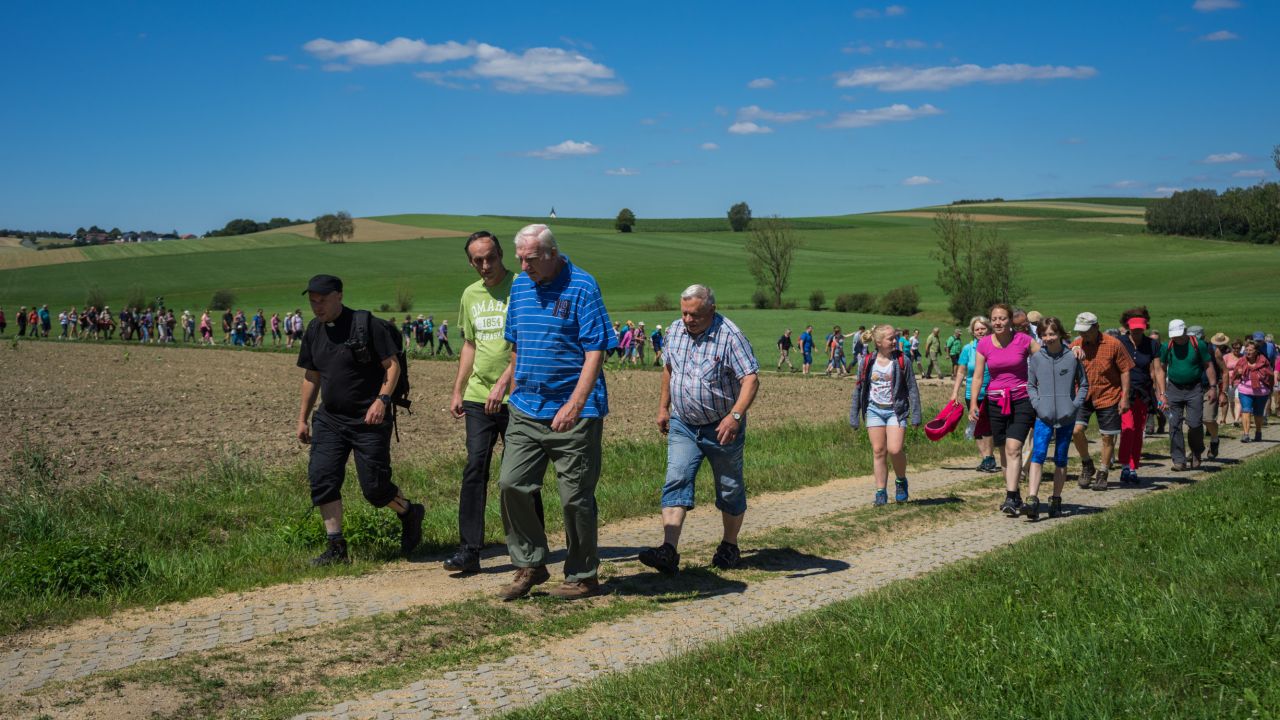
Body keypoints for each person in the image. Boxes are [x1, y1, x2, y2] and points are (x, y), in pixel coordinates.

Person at [496, 224, 617, 601]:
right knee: (511, 483)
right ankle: (530, 562)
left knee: (574, 498)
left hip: (574, 413)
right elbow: (517, 344)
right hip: (526, 407)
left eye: (530, 259)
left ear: (552, 253)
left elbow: (595, 350)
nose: (523, 266)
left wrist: (576, 404)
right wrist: (508, 384)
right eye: (520, 258)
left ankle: (583, 575)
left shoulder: (582, 286)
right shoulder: (520, 286)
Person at [295, 274, 424, 566]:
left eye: (322, 300)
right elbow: (311, 376)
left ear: (339, 296)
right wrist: (302, 418)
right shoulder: (314, 330)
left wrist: (382, 400)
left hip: (369, 420)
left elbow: (392, 366)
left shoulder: (367, 326)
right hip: (330, 419)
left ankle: (409, 512)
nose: (317, 307)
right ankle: (336, 548)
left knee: (375, 488)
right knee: (322, 478)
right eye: (313, 301)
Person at [640, 285, 759, 575]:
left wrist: (735, 416)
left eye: (694, 315)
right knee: (676, 479)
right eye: (684, 313)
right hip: (683, 423)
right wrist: (663, 407)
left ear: (711, 311)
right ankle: (668, 550)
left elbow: (750, 379)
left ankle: (729, 546)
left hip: (722, 427)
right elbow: (669, 369)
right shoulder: (675, 331)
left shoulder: (730, 336)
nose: (688, 320)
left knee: (729, 487)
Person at [446, 231, 544, 574]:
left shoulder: (524, 287)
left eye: (490, 257)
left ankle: (533, 546)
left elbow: (529, 341)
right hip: (478, 397)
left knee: (519, 474)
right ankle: (469, 550)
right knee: (475, 467)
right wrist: (458, 389)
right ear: (470, 262)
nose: (485, 265)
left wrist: (504, 383)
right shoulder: (470, 294)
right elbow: (470, 344)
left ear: (501, 254)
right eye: (478, 260)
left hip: (518, 396)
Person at [968, 304, 1045, 515]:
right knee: (1003, 450)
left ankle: (1010, 497)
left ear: (1010, 320)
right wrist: (974, 403)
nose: (998, 322)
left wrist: (1069, 351)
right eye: (994, 319)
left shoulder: (1024, 340)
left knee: (1013, 447)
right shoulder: (984, 344)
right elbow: (977, 376)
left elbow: (1046, 358)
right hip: (995, 402)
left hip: (1022, 400)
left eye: (1002, 318)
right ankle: (1014, 494)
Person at [850, 324, 922, 506]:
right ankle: (880, 492)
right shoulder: (866, 362)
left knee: (895, 449)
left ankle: (901, 481)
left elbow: (912, 389)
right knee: (878, 451)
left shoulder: (903, 361)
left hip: (895, 411)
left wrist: (916, 415)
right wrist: (854, 416)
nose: (895, 341)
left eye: (895, 337)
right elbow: (858, 389)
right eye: (891, 338)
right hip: (874, 410)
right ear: (879, 342)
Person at [1025, 316, 1088, 519]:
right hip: (1043, 416)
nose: (1048, 338)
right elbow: (1030, 385)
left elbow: (1083, 384)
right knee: (1038, 455)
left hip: (1066, 417)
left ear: (1060, 333)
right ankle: (1032, 499)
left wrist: (1074, 406)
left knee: (1061, 458)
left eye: (1052, 334)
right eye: (1044, 335)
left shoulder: (1072, 357)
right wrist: (1037, 405)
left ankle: (1056, 499)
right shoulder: (1036, 359)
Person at [1070, 312, 1133, 491]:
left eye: (1086, 331)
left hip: (1109, 394)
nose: (1083, 334)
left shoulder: (1114, 344)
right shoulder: (1076, 344)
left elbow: (1125, 370)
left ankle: (1103, 472)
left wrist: (1125, 397)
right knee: (1076, 430)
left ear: (1096, 327)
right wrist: (1070, 353)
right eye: (1080, 331)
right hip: (1083, 394)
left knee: (1107, 436)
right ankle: (1087, 464)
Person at [1160, 320, 1218, 471]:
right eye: (1174, 336)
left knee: (1195, 424)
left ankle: (1196, 452)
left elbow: (1208, 365)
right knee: (1174, 424)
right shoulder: (1167, 346)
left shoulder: (1198, 344)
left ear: (1185, 331)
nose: (1176, 338)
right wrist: (1162, 393)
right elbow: (1161, 369)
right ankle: (1179, 460)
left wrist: (1213, 387)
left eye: (1179, 335)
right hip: (1173, 389)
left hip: (1194, 388)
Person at [1115, 308, 1164, 484]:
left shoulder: (1152, 344)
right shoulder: (1119, 342)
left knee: (1138, 431)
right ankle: (1124, 466)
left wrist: (1162, 394)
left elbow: (1158, 370)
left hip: (1143, 393)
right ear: (1127, 326)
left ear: (1145, 327)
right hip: (1124, 392)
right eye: (1134, 328)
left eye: (1140, 328)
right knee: (1127, 428)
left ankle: (1133, 467)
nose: (1137, 331)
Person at [949, 316, 997, 473]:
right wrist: (955, 392)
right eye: (977, 329)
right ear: (972, 332)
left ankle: (990, 457)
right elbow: (961, 372)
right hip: (972, 394)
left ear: (989, 329)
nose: (980, 331)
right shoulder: (967, 349)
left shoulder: (996, 346)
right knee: (976, 425)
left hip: (993, 393)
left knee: (989, 426)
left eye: (983, 328)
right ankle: (986, 458)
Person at [1191, 325, 1227, 459]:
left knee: (1208, 419)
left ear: (1203, 337)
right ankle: (1195, 450)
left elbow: (1225, 372)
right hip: (1192, 390)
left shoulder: (1213, 350)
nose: (1194, 341)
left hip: (1209, 389)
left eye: (1197, 338)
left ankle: (1214, 439)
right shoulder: (1186, 349)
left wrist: (1223, 392)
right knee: (1193, 422)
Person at [1231, 340, 1272, 443]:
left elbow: (1270, 375)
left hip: (1261, 392)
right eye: (1246, 350)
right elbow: (1235, 373)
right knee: (1246, 410)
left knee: (1258, 413)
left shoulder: (1264, 361)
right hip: (1245, 390)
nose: (1248, 352)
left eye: (1250, 350)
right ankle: (1246, 434)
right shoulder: (1242, 361)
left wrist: (1263, 375)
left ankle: (1258, 432)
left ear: (1256, 351)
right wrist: (1238, 372)